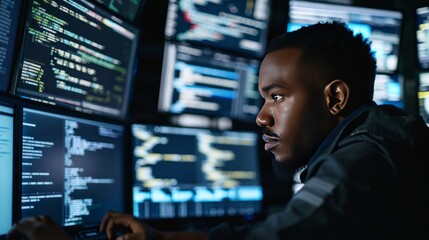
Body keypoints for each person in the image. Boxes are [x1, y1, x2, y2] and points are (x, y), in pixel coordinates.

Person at [7, 20, 429, 240]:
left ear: (335, 99)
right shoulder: (381, 140)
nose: (261, 117)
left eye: (277, 96)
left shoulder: (361, 167)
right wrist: (162, 239)